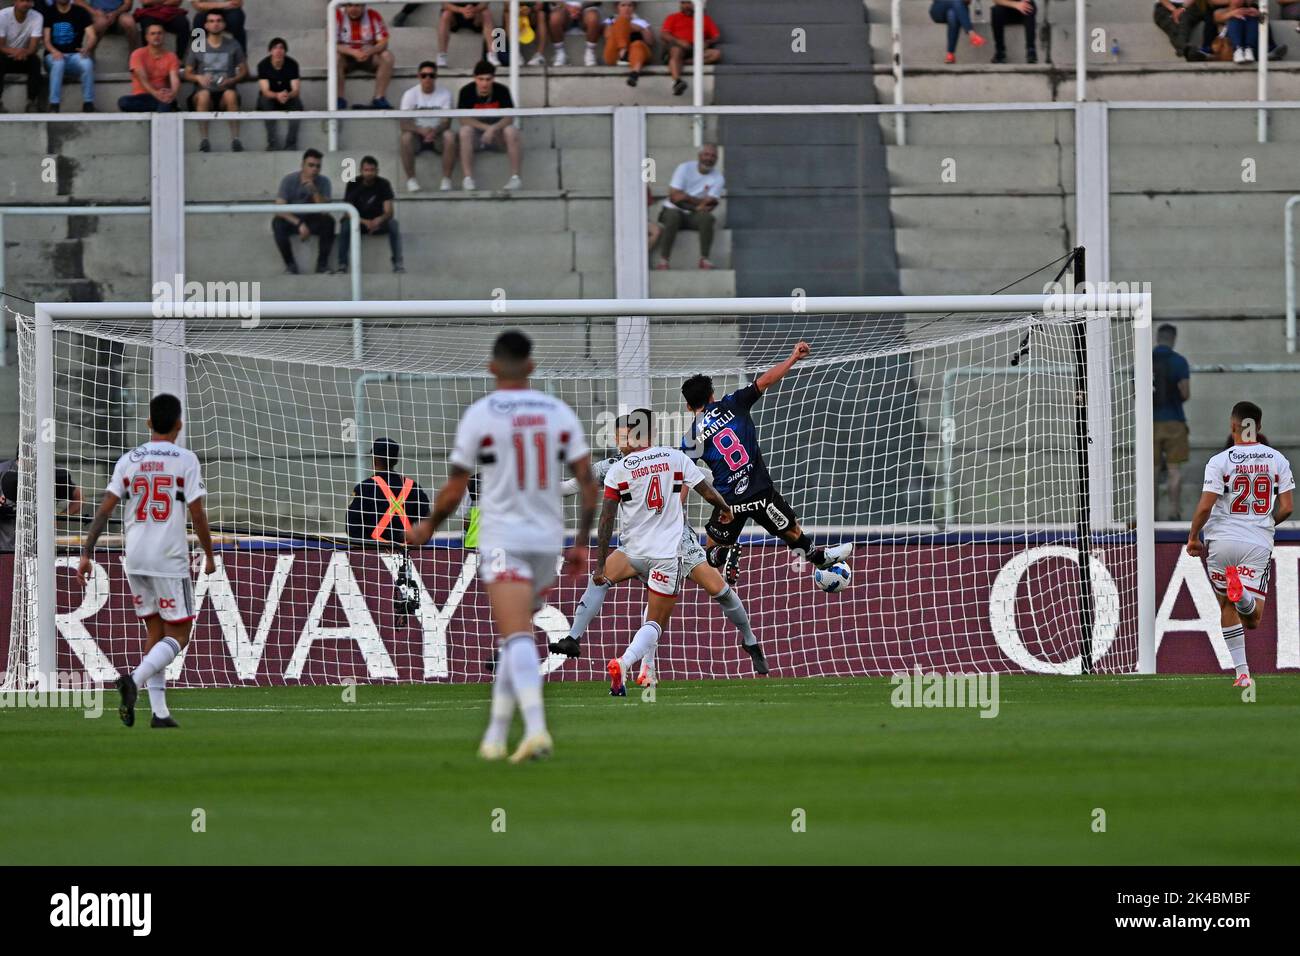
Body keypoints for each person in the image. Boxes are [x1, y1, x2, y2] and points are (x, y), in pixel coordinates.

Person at [406, 330, 598, 763]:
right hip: (548, 540)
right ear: (532, 367)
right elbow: (588, 486)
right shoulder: (557, 412)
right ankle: (494, 736)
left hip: (504, 539)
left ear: (492, 367)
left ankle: (536, 730)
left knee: (515, 637)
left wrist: (428, 527)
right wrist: (582, 544)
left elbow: (455, 489)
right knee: (518, 636)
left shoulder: (481, 415)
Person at [550, 408, 770, 680]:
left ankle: (749, 640)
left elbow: (705, 480)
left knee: (719, 590)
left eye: (624, 435)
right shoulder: (613, 466)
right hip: (646, 548)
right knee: (610, 583)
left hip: (678, 542)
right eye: (617, 436)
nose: (620, 441)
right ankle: (582, 641)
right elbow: (571, 486)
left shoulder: (654, 461)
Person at [78, 393, 216, 729]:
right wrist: (210, 555)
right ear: (179, 425)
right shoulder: (185, 459)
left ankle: (160, 712)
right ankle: (134, 681)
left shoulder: (129, 460)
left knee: (155, 629)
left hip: (136, 556)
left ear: (149, 423)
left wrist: (86, 551)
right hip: (168, 556)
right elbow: (197, 515)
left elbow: (105, 509)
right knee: (179, 635)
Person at [680, 342, 855, 585]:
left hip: (729, 504)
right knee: (792, 532)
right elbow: (765, 381)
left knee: (710, 553)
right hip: (761, 492)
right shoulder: (733, 403)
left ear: (689, 406)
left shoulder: (691, 438)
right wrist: (793, 357)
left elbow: (684, 476)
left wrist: (676, 509)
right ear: (712, 395)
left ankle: (726, 551)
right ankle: (818, 557)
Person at [1186, 401, 1293, 688]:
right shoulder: (1277, 460)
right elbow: (1287, 507)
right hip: (1255, 541)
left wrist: (1194, 536)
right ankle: (1243, 593)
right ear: (1258, 427)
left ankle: (1242, 673)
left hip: (1221, 541)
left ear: (1233, 425)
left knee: (1226, 606)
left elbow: (1205, 506)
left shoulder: (1220, 461)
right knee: (1253, 618)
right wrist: (1267, 522)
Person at [183, 8, 247, 152]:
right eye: (211, 21)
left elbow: (244, 71)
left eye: (219, 21)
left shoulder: (233, 44)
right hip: (204, 93)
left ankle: (236, 139)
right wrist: (198, 77)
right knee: (204, 95)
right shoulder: (198, 45)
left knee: (230, 94)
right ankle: (204, 140)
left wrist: (232, 80)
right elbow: (187, 73)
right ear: (205, 25)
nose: (215, 24)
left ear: (224, 24)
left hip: (226, 92)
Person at [346, 437, 430, 544]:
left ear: (374, 459)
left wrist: (375, 547)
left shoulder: (363, 488)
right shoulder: (413, 487)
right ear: (396, 460)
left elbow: (352, 528)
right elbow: (428, 524)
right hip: (407, 554)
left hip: (373, 555)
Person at [456, 59, 522, 191]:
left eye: (488, 79)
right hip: (477, 138)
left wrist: (494, 129)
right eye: (481, 79)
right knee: (465, 131)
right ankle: (468, 179)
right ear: (475, 78)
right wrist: (487, 128)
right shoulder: (466, 92)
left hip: (498, 137)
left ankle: (515, 178)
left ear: (493, 79)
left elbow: (510, 117)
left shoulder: (502, 90)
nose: (484, 83)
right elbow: (463, 119)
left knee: (511, 131)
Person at [656, 142, 723, 271]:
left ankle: (705, 259)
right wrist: (697, 204)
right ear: (699, 155)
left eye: (713, 156)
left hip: (693, 216)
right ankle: (664, 260)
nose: (709, 158)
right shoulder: (684, 168)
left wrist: (687, 197)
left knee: (707, 218)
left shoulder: (718, 178)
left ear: (716, 159)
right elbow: (674, 197)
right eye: (706, 154)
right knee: (673, 216)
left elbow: (709, 205)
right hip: (672, 210)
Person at [0, 454, 83, 552]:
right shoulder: (3, 471)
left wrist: (61, 517)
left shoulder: (52, 472)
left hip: (41, 548)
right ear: (20, 458)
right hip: (6, 547)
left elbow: (78, 497)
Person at [272, 148, 335, 275]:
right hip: (293, 220)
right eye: (311, 165)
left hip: (313, 219)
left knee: (329, 222)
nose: (315, 169)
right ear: (302, 165)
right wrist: (299, 223)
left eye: (318, 166)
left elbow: (325, 211)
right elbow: (279, 209)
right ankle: (290, 265)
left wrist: (315, 191)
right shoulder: (289, 180)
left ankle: (322, 265)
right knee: (277, 223)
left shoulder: (324, 182)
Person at [338, 155, 403, 274]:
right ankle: (342, 264)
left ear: (377, 171)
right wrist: (364, 222)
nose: (369, 173)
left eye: (372, 170)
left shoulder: (383, 184)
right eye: (366, 170)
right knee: (345, 225)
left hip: (378, 223)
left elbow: (389, 212)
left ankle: (397, 263)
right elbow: (347, 212)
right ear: (361, 171)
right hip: (358, 223)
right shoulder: (353, 184)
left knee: (393, 224)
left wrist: (379, 220)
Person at [1152, 323, 1191, 521]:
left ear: (1157, 338)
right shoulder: (1179, 362)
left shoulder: (1144, 359)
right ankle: (1174, 511)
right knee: (1174, 469)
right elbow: (1185, 393)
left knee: (1153, 470)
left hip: (1149, 423)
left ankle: (1152, 514)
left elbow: (1136, 394)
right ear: (1173, 339)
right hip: (1174, 421)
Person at [399, 59, 456, 192]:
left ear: (436, 77)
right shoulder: (410, 94)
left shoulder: (445, 93)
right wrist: (420, 130)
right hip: (417, 138)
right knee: (405, 138)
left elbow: (447, 122)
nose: (427, 78)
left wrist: (434, 131)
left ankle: (446, 180)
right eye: (424, 75)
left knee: (450, 136)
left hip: (437, 137)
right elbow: (403, 123)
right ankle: (411, 180)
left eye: (431, 75)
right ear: (418, 76)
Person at [335, 2, 394, 110]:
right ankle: (339, 99)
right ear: (345, 6)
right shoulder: (337, 15)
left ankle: (379, 98)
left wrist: (371, 50)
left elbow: (384, 42)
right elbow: (331, 44)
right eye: (349, 5)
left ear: (363, 5)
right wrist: (353, 52)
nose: (353, 9)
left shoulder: (373, 15)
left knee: (387, 56)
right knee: (335, 57)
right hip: (346, 58)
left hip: (369, 57)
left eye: (357, 5)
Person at [43, 0, 96, 113]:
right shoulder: (48, 12)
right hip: (52, 56)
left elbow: (92, 36)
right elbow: (46, 40)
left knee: (87, 63)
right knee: (59, 62)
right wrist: (54, 51)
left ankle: (88, 103)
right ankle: (54, 104)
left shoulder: (80, 12)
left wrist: (87, 48)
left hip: (74, 56)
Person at [117, 20, 179, 111]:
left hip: (163, 95)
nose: (156, 36)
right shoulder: (138, 54)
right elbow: (142, 78)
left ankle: (165, 105)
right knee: (123, 102)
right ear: (146, 37)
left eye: (159, 33)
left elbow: (175, 78)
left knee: (166, 102)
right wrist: (156, 94)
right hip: (143, 97)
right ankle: (166, 106)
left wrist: (173, 93)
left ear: (164, 36)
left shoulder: (171, 56)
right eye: (152, 34)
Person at [661, 0, 720, 95]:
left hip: (696, 49)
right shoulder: (673, 17)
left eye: (689, 3)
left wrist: (707, 42)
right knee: (676, 51)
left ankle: (679, 62)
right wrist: (678, 41)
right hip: (678, 46)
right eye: (683, 3)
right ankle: (677, 81)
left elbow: (716, 36)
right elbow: (664, 35)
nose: (686, 6)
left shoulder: (705, 18)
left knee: (716, 54)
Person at [256, 36, 302, 152]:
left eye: (281, 48)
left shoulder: (292, 64)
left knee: (297, 104)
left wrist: (287, 95)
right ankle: (272, 144)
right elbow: (265, 90)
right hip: (270, 98)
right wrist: (277, 95)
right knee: (265, 101)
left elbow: (296, 90)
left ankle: (291, 144)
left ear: (285, 51)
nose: (278, 50)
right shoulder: (263, 65)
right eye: (275, 48)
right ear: (270, 51)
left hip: (287, 97)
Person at [0, 0, 45, 113]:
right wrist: (16, 52)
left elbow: (33, 47)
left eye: (29, 1)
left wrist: (23, 53)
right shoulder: (2, 15)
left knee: (35, 62)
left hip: (24, 56)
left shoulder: (37, 17)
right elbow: (1, 46)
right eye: (22, 0)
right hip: (5, 55)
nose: (26, 4)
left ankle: (32, 103)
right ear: (15, 1)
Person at [603, 0, 653, 86]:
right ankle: (623, 51)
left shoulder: (641, 22)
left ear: (634, 7)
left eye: (630, 5)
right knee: (622, 20)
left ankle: (634, 74)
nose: (627, 8)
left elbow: (650, 42)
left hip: (636, 56)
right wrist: (627, 26)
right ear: (617, 7)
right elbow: (607, 35)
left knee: (637, 44)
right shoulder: (611, 20)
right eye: (623, 5)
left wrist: (641, 29)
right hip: (614, 56)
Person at [436, 2, 496, 68]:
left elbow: (485, 2)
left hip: (476, 13)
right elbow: (444, 4)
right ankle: (442, 55)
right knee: (446, 14)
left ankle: (492, 55)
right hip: (455, 14)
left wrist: (475, 9)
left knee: (486, 13)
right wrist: (461, 10)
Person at [548, 0, 602, 66]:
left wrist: (580, 7)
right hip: (563, 8)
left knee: (593, 18)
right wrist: (567, 7)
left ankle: (590, 52)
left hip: (587, 7)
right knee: (554, 18)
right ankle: (560, 53)